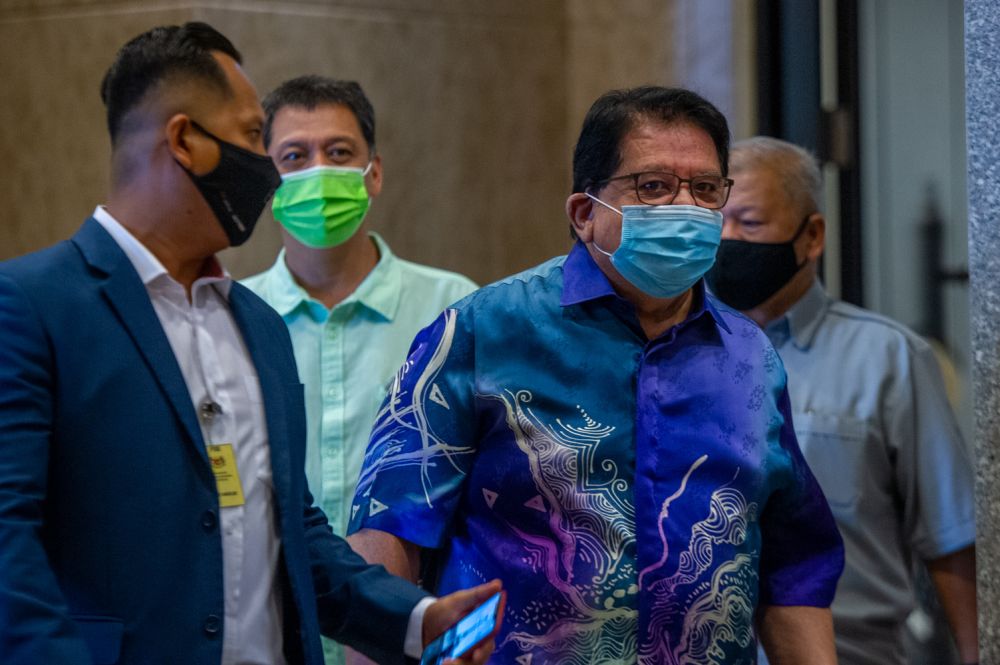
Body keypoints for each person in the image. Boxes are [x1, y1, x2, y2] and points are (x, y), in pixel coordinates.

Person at [0, 22, 499, 665]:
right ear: (184, 142)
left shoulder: (257, 324)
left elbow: (292, 530)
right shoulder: (31, 304)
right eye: (248, 139)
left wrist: (416, 621)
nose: (265, 169)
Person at [346, 86, 845, 664]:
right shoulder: (481, 333)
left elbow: (792, 568)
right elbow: (389, 534)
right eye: (653, 187)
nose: (684, 208)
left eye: (705, 189)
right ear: (586, 213)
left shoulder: (750, 359)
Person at [705, 136, 978, 665]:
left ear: (812, 236)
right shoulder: (677, 356)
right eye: (718, 223)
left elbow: (950, 536)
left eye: (750, 223)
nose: (729, 240)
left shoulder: (888, 359)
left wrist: (977, 652)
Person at [242, 71, 478, 665]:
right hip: (272, 636)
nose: (318, 171)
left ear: (374, 172)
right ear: (269, 182)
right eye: (294, 155)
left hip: (418, 636)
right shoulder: (234, 318)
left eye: (339, 152)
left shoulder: (455, 311)